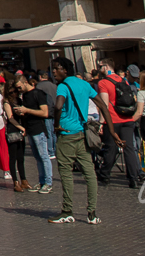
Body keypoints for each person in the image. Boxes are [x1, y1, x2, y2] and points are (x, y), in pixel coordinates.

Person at [46, 58, 100, 225]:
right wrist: (112, 131)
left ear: (65, 70)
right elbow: (102, 105)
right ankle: (92, 213)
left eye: (57, 69)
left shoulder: (63, 86)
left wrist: (56, 125)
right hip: (82, 134)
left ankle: (67, 211)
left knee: (66, 173)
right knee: (89, 174)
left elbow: (58, 105)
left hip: (67, 135)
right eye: (53, 69)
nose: (54, 72)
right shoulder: (84, 84)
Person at [11, 73, 53, 197]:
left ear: (25, 82)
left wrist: (26, 110)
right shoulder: (25, 95)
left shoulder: (38, 93)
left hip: (39, 129)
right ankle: (41, 181)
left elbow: (44, 113)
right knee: (38, 157)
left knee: (44, 156)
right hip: (30, 129)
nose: (19, 90)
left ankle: (48, 182)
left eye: (19, 87)